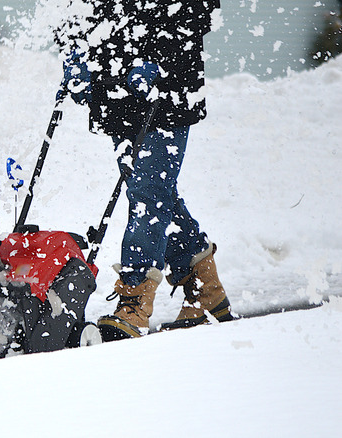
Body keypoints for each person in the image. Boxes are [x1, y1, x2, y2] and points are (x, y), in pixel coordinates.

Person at [54, 0, 233, 341]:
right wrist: (73, 48)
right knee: (152, 192)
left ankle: (134, 301)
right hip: (113, 91)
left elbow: (199, 8)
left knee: (148, 192)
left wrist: (162, 50)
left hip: (166, 90)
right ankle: (204, 288)